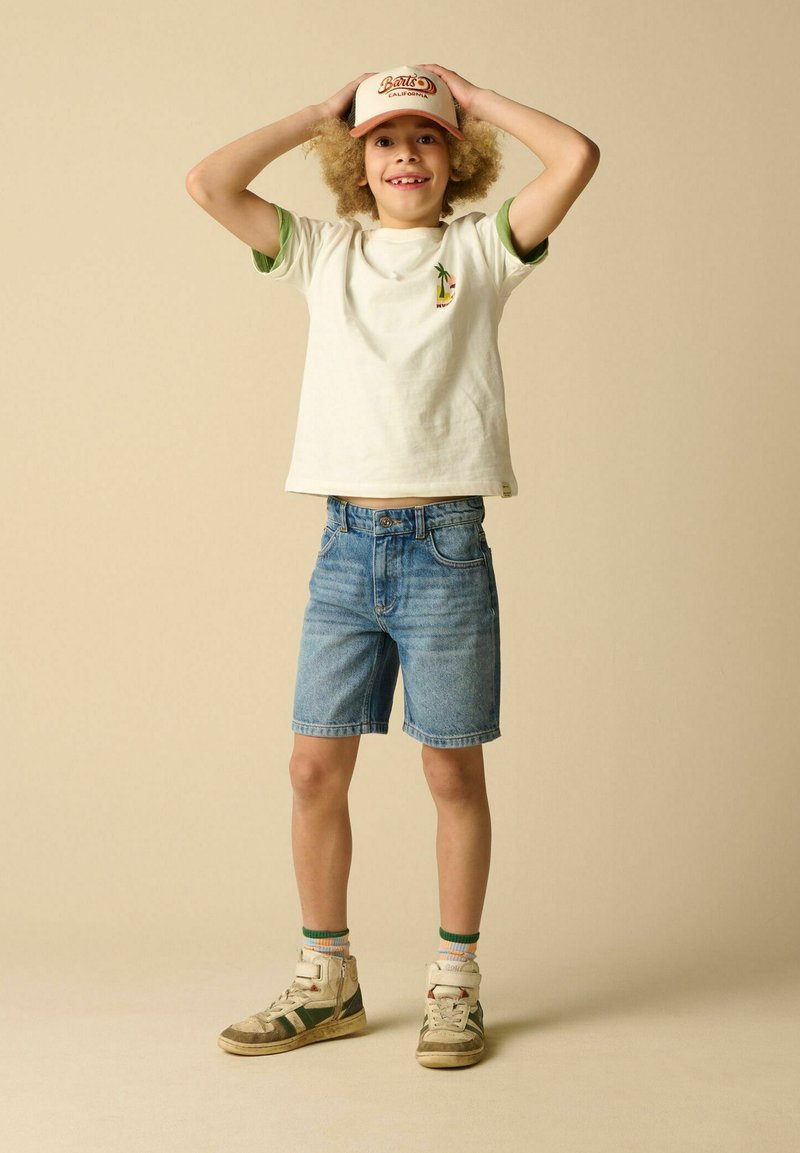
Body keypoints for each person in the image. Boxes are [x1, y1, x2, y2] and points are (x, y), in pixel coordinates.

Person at [186, 63, 600, 1068]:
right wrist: (317, 112)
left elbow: (575, 157)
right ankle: (325, 977)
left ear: (454, 156)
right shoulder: (322, 252)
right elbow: (209, 184)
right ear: (354, 161)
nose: (403, 156)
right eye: (381, 141)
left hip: (445, 547)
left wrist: (471, 93)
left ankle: (453, 981)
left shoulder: (482, 250)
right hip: (344, 548)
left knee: (449, 767)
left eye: (424, 138)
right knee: (310, 764)